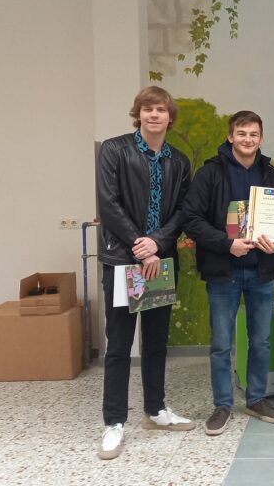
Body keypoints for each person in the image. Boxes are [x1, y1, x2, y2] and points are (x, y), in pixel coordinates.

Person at [96, 86, 194, 460]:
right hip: (123, 260)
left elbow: (183, 212)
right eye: (147, 109)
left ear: (171, 116)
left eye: (161, 109)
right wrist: (140, 244)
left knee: (156, 342)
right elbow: (108, 202)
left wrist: (157, 243)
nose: (154, 115)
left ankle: (156, 410)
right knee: (120, 345)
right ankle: (114, 422)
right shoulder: (114, 149)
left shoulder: (180, 162)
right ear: (138, 114)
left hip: (160, 262)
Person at [183, 111, 274, 436]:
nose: (247, 139)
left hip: (261, 271)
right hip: (223, 271)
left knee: (262, 341)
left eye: (253, 134)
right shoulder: (210, 173)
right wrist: (227, 244)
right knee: (221, 344)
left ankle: (256, 398)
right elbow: (191, 219)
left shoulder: (271, 175)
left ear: (261, 138)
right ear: (231, 136)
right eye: (241, 133)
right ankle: (223, 405)